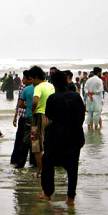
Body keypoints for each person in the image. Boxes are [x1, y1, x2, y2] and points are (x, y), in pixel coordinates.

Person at [38, 71, 85, 206]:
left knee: (47, 161)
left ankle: (48, 193)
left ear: (53, 83)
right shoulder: (76, 96)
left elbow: (49, 116)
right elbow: (82, 114)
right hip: (75, 135)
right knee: (72, 166)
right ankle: (71, 198)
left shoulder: (53, 98)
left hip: (57, 136)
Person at [28, 66, 55, 178]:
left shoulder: (39, 87)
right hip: (50, 116)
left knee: (37, 145)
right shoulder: (51, 86)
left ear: (36, 77)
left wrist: (33, 110)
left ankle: (41, 171)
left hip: (39, 117)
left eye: (32, 79)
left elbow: (35, 101)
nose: (31, 82)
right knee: (48, 144)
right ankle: (50, 169)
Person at [13, 70, 34, 168]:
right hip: (23, 116)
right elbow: (18, 102)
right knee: (20, 139)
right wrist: (15, 116)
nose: (22, 79)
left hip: (30, 117)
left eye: (24, 78)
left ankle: (31, 161)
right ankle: (17, 159)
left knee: (30, 140)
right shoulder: (22, 87)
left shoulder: (35, 88)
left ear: (30, 80)